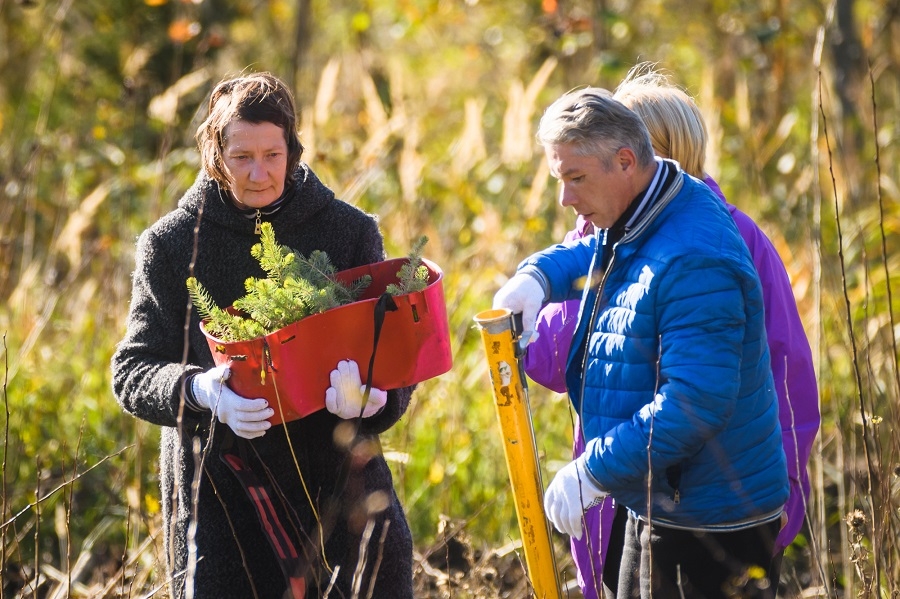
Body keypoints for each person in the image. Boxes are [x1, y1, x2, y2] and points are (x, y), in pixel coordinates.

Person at [111, 72, 414, 598]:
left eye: (272, 155)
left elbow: (393, 355)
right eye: (241, 156)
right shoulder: (172, 244)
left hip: (339, 487)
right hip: (223, 495)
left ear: (292, 149)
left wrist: (373, 400)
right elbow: (133, 370)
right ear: (214, 153)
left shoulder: (347, 231)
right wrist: (199, 391)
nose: (258, 173)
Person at [522, 66, 820, 598]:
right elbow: (571, 356)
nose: (570, 196)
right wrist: (536, 288)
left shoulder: (711, 244)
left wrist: (784, 494)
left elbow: (781, 374)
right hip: (631, 489)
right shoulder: (617, 231)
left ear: (634, 159)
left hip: (699, 498)